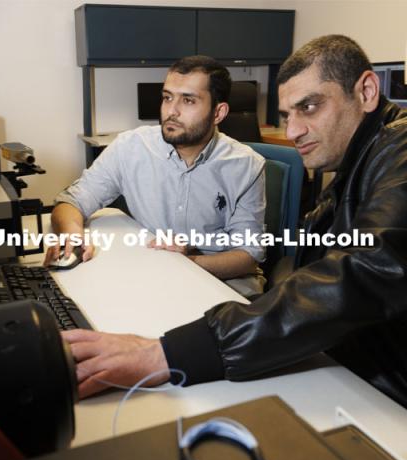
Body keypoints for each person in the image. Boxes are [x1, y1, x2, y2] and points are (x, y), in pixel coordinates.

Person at [62, 34, 407, 408]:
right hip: (339, 368)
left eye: (309, 107)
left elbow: (360, 275)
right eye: (288, 115)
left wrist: (167, 354)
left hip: (382, 394)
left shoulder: (399, 153)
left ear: (368, 91)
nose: (292, 132)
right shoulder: (355, 167)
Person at [46, 55, 265, 294]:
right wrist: (72, 236)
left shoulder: (246, 166)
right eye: (167, 97)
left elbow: (249, 255)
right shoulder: (131, 147)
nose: (172, 111)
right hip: (155, 273)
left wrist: (185, 264)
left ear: (218, 113)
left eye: (188, 101)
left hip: (221, 278)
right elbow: (72, 201)